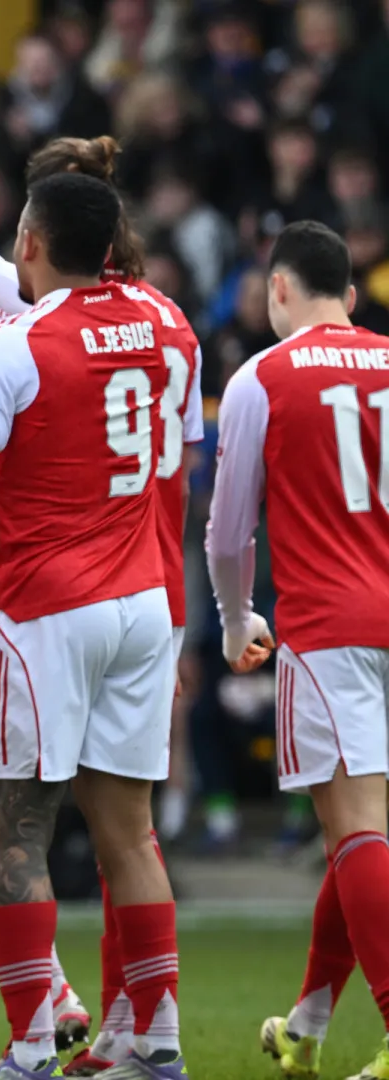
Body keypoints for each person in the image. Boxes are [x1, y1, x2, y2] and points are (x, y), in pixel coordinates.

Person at [0, 172, 186, 1080]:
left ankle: (30, 1047)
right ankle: (155, 1043)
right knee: (130, 833)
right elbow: (82, 329)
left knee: (18, 830)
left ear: (33, 243)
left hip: (51, 605)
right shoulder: (169, 323)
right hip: (145, 606)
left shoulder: (6, 346)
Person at [209, 221, 389, 1080]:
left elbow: (227, 529)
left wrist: (237, 615)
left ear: (278, 290)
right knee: (357, 838)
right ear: (350, 298)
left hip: (328, 629)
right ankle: (308, 1030)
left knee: (354, 832)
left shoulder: (262, 379)